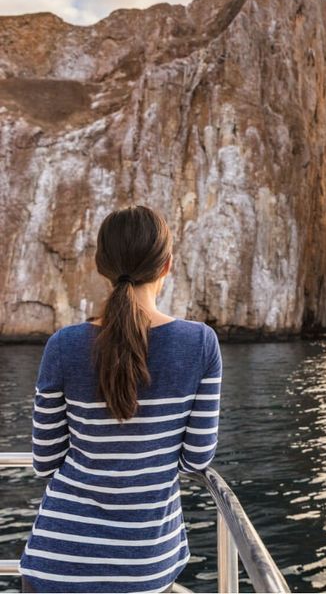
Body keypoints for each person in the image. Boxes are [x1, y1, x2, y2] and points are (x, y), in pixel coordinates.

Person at [18, 205, 223, 594]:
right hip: (142, 565)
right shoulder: (200, 343)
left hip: (56, 563)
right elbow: (196, 458)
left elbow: (45, 461)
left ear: (101, 266)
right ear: (167, 265)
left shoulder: (63, 345)